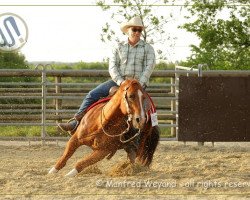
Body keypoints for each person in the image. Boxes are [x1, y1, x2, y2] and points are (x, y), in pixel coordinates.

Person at [58, 16, 156, 134]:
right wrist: (121, 83)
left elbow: (149, 67)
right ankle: (76, 122)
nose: (137, 32)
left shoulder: (148, 48)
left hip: (137, 85)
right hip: (118, 81)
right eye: (134, 29)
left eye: (139, 30)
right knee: (93, 94)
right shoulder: (118, 46)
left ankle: (141, 138)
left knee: (144, 109)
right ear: (128, 30)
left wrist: (138, 83)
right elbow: (113, 66)